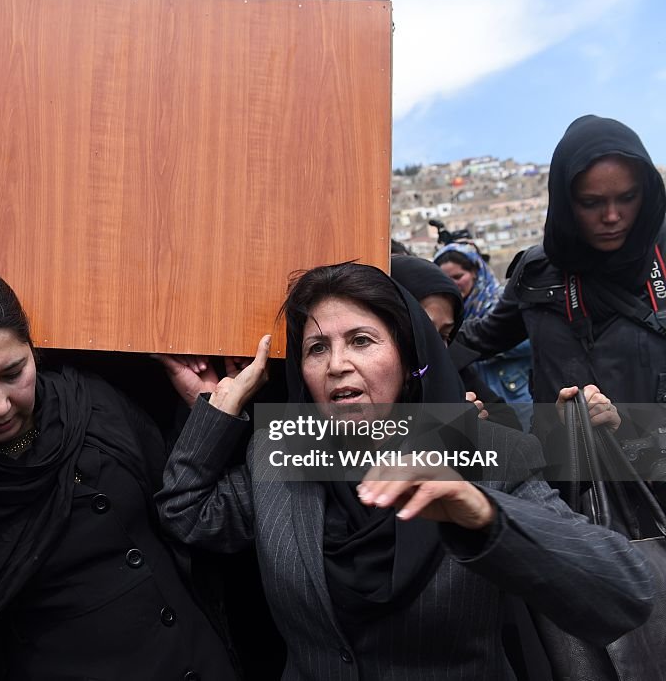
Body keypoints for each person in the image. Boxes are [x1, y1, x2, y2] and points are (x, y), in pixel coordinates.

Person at [157, 262, 653, 680]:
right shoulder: (281, 452)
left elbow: (623, 590)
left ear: (408, 355)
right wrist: (213, 413)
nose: (337, 365)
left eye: (361, 340)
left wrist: (484, 515)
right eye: (317, 348)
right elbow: (188, 514)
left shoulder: (488, 452)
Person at [0, 268, 238, 680]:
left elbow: (180, 505)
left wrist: (202, 415)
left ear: (33, 352)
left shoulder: (93, 405)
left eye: (13, 373)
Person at [458, 115, 666, 460]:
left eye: (627, 197)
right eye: (592, 202)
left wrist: (627, 428)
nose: (612, 216)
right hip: (566, 490)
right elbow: (475, 341)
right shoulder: (537, 273)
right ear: (567, 203)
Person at [390, 254, 521, 430]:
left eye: (444, 335)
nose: (435, 346)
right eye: (424, 329)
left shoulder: (452, 367)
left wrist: (478, 426)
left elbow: (509, 424)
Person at [434, 243, 533, 430]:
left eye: (458, 277)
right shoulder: (450, 312)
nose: (452, 284)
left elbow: (528, 340)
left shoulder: (501, 301)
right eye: (445, 278)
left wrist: (479, 347)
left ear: (475, 272)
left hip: (514, 392)